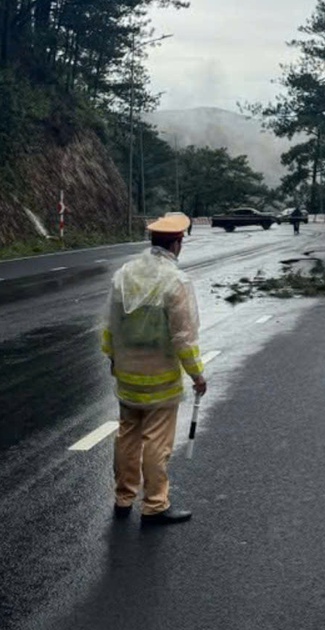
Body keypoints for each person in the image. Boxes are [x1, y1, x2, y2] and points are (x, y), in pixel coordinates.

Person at [101, 212, 207, 526]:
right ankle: (155, 505)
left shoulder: (124, 274)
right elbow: (183, 338)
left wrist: (113, 359)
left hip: (127, 375)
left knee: (127, 435)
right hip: (160, 379)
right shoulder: (176, 282)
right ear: (177, 244)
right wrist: (197, 374)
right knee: (156, 442)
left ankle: (123, 498)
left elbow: (110, 325)